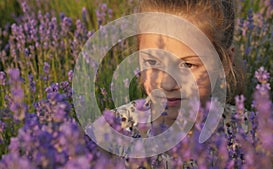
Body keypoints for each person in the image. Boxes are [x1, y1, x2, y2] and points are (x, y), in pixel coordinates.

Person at [89, 0, 250, 168]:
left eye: (187, 65)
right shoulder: (113, 130)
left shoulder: (246, 130)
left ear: (223, 64)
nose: (167, 83)